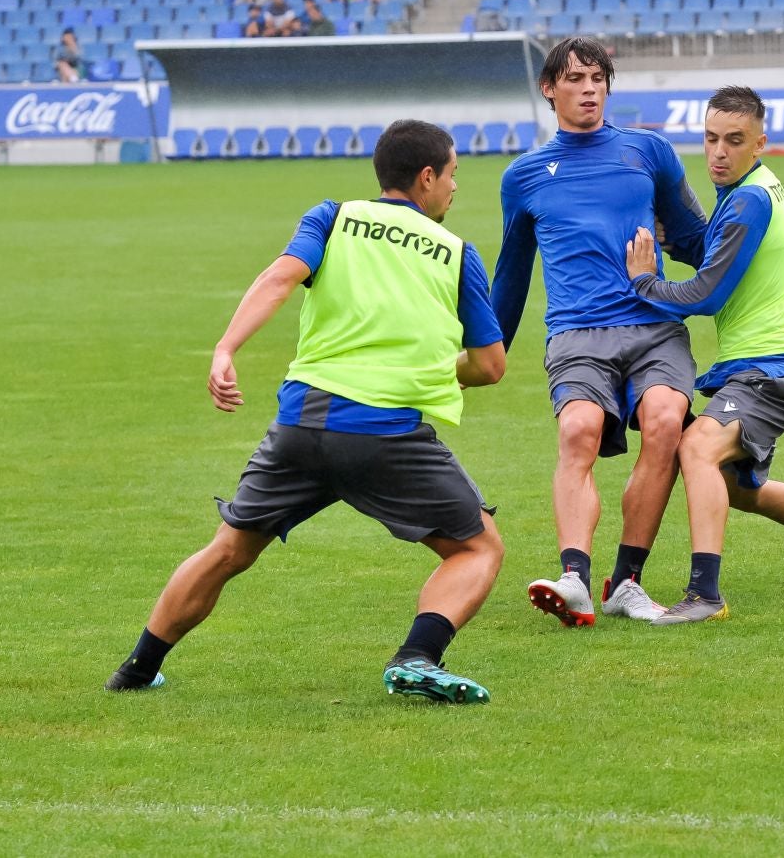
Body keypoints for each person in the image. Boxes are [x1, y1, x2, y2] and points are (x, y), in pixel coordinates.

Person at [104, 119, 507, 704]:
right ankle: (417, 658)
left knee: (229, 549)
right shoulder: (458, 254)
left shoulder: (332, 217)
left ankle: (137, 669)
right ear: (426, 178)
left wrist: (225, 349)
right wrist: (429, 372)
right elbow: (490, 365)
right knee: (478, 547)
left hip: (300, 425)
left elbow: (280, 278)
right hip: (384, 435)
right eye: (452, 175)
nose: (454, 189)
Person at [623, 86, 784, 624]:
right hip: (765, 371)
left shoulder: (748, 199)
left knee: (695, 449)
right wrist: (678, 239)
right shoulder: (748, 189)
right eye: (711, 139)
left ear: (761, 142)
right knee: (736, 489)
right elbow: (719, 250)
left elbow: (706, 293)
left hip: (769, 374)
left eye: (735, 141)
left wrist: (646, 282)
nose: (719, 151)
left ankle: (705, 595)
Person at [491, 37, 709, 628]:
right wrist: (487, 351)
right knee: (579, 431)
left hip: (653, 325)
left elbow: (695, 239)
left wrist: (748, 250)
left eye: (597, 78)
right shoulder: (525, 176)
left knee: (665, 421)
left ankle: (627, 583)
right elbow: (510, 276)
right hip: (577, 333)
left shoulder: (649, 151)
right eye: (575, 79)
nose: (589, 88)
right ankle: (575, 579)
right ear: (549, 89)